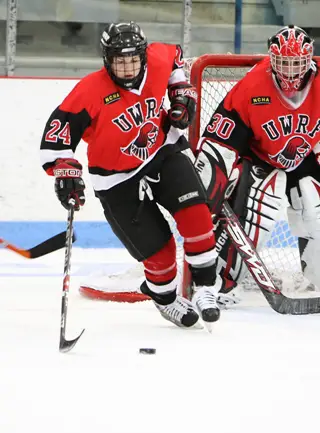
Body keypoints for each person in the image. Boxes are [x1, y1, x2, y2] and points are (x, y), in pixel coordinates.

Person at [39, 21, 221, 331]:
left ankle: (206, 288)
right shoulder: (90, 90)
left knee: (197, 217)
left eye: (132, 59)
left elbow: (176, 60)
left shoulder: (159, 58)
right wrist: (65, 172)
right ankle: (165, 300)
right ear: (106, 59)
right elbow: (57, 139)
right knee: (160, 256)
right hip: (115, 178)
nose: (126, 67)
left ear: (143, 56)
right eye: (118, 60)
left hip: (162, 152)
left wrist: (179, 91)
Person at [193, 24, 320, 301]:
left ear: (309, 60)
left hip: (305, 159)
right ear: (272, 60)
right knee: (261, 206)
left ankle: (318, 280)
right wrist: (210, 184)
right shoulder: (252, 86)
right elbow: (220, 139)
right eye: (283, 64)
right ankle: (221, 281)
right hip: (260, 158)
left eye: (296, 63)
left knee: (315, 204)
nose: (290, 72)